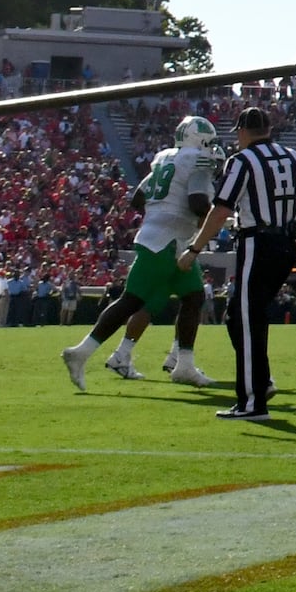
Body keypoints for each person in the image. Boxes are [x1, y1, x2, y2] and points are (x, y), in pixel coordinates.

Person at [63, 115, 220, 391]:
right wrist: (213, 219)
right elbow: (197, 202)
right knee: (132, 300)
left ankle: (183, 365)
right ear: (202, 139)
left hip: (165, 237)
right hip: (168, 242)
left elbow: (138, 198)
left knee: (194, 297)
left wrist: (160, 212)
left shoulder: (165, 158)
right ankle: (81, 352)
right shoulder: (198, 161)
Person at [185, 104, 296, 422]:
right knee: (240, 317)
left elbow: (221, 209)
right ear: (269, 130)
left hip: (257, 243)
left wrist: (194, 248)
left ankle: (252, 402)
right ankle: (262, 382)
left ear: (243, 133)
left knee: (245, 318)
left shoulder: (242, 161)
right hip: (286, 244)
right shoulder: (292, 156)